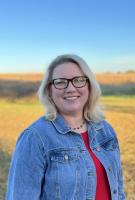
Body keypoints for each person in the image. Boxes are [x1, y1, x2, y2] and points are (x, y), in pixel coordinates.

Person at [6, 54, 126, 200]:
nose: (70, 88)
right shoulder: (34, 138)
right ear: (49, 90)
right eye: (60, 82)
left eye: (78, 80)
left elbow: (118, 189)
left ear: (89, 85)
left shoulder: (105, 130)